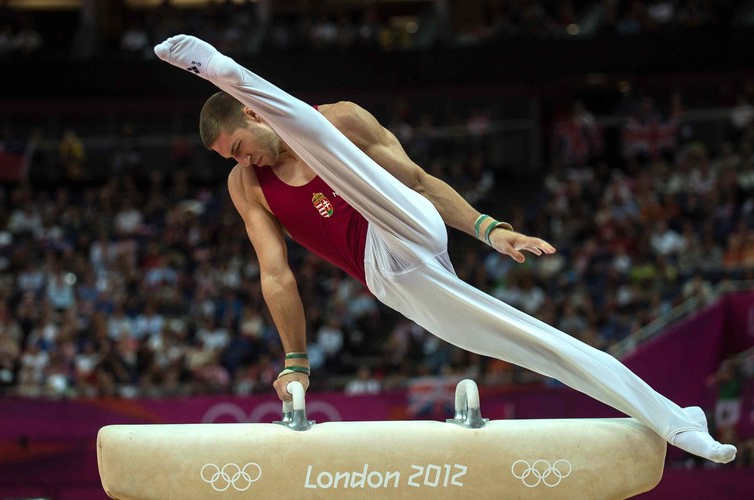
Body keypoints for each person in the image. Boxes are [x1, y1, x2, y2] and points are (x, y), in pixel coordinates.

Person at [154, 34, 736, 464]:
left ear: (250, 112)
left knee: (322, 138)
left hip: (405, 219)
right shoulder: (248, 186)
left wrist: (488, 228)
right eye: (231, 159)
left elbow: (417, 181)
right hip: (395, 279)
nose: (242, 161)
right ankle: (676, 421)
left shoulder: (343, 121)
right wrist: (295, 363)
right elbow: (276, 274)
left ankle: (226, 70)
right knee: (541, 344)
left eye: (239, 147)